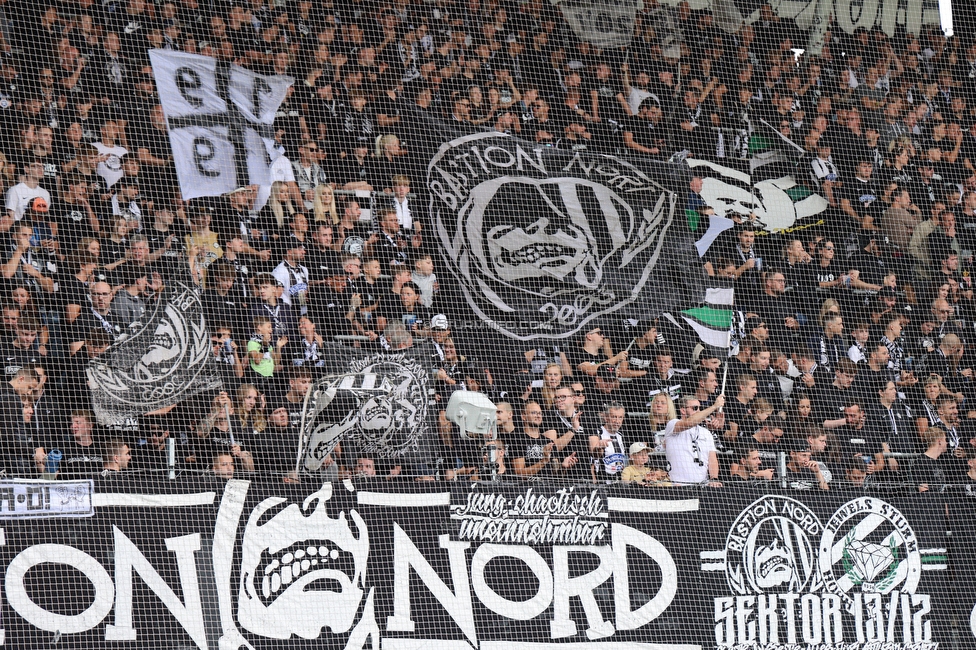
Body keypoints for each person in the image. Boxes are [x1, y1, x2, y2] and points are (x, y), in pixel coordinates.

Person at [663, 395, 725, 486]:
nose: (699, 411)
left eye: (700, 408)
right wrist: (714, 406)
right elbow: (689, 422)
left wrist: (714, 478)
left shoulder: (706, 432)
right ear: (683, 410)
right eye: (695, 408)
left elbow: (712, 459)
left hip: (702, 485)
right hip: (678, 485)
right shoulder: (672, 424)